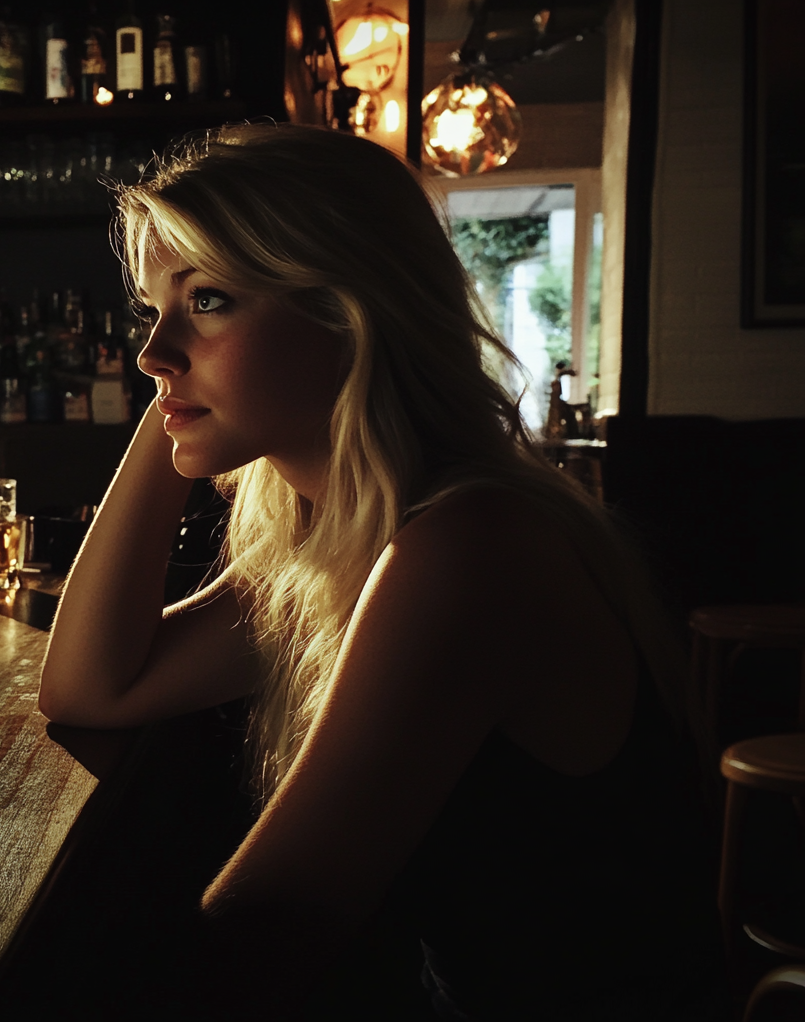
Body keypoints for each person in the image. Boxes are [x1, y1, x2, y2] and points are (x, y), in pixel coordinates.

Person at [39, 123, 727, 1021]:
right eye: (151, 311)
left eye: (207, 300)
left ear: (348, 311)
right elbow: (89, 687)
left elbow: (260, 930)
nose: (150, 351)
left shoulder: (467, 549)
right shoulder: (340, 545)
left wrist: (188, 390)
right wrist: (179, 398)